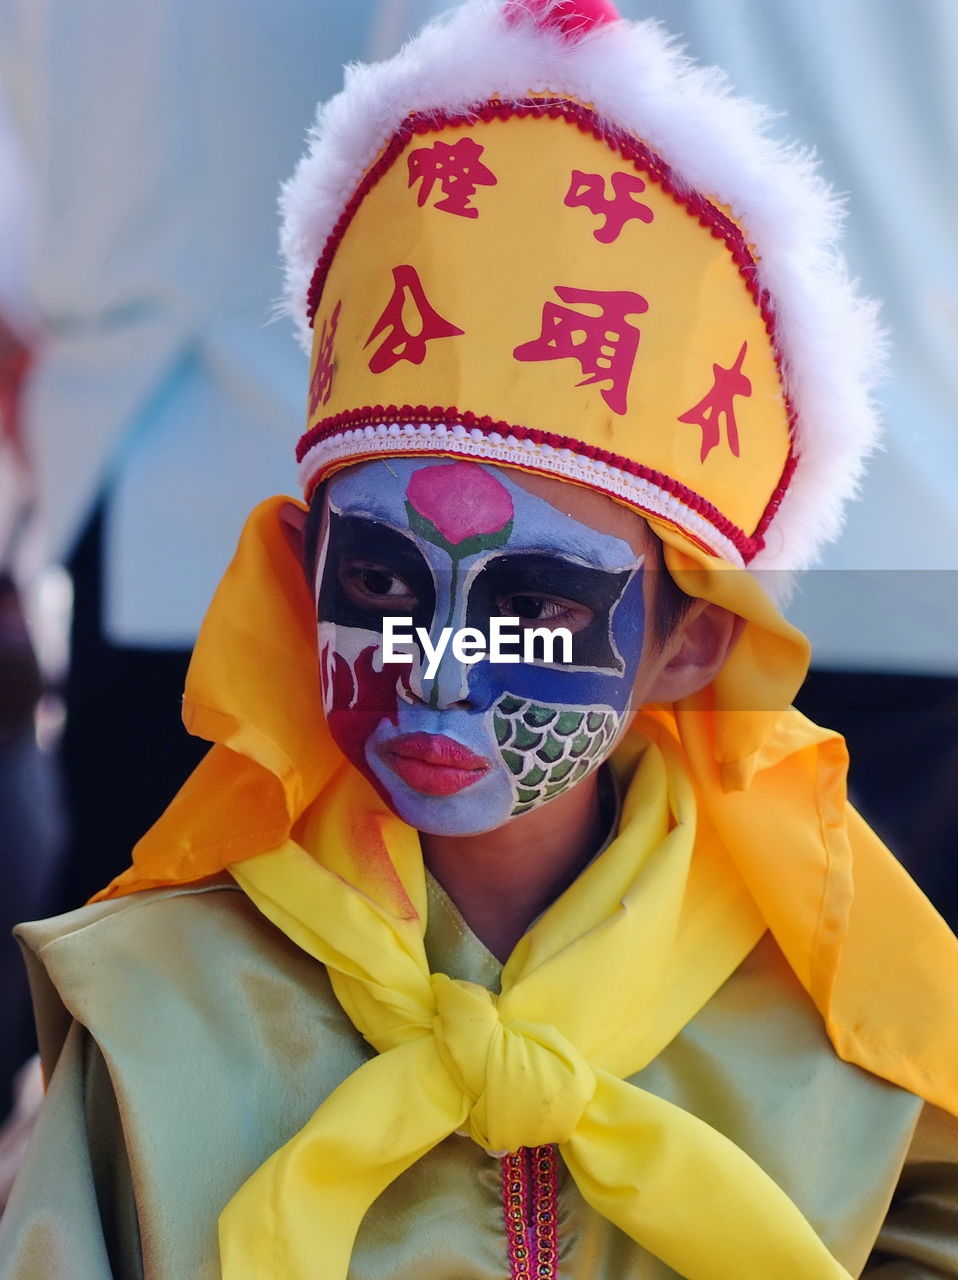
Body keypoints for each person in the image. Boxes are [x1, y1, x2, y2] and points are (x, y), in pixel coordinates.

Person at [2, 1, 957, 1276]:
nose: (439, 666)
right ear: (300, 583)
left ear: (689, 645)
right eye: (387, 585)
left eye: (538, 608)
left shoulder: (840, 1040)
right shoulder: (156, 1010)